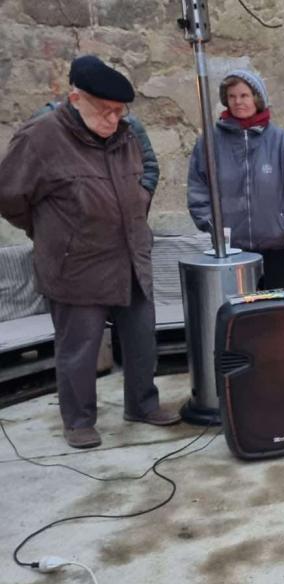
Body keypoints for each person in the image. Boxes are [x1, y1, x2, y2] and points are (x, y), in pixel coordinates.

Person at [0, 55, 181, 449]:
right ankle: (79, 421)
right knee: (78, 350)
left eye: (120, 111)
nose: (114, 119)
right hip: (76, 264)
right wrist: (50, 230)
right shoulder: (41, 137)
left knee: (141, 338)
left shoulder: (126, 134)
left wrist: (139, 201)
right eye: (105, 111)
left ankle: (143, 404)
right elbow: (9, 196)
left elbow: (144, 172)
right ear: (75, 98)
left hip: (130, 256)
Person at [188, 69, 284, 290]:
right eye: (232, 96)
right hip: (231, 249)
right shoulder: (210, 141)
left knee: (273, 313)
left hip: (275, 246)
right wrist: (211, 225)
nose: (238, 102)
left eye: (244, 96)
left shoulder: (280, 140)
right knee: (239, 315)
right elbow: (198, 186)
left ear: (257, 98)